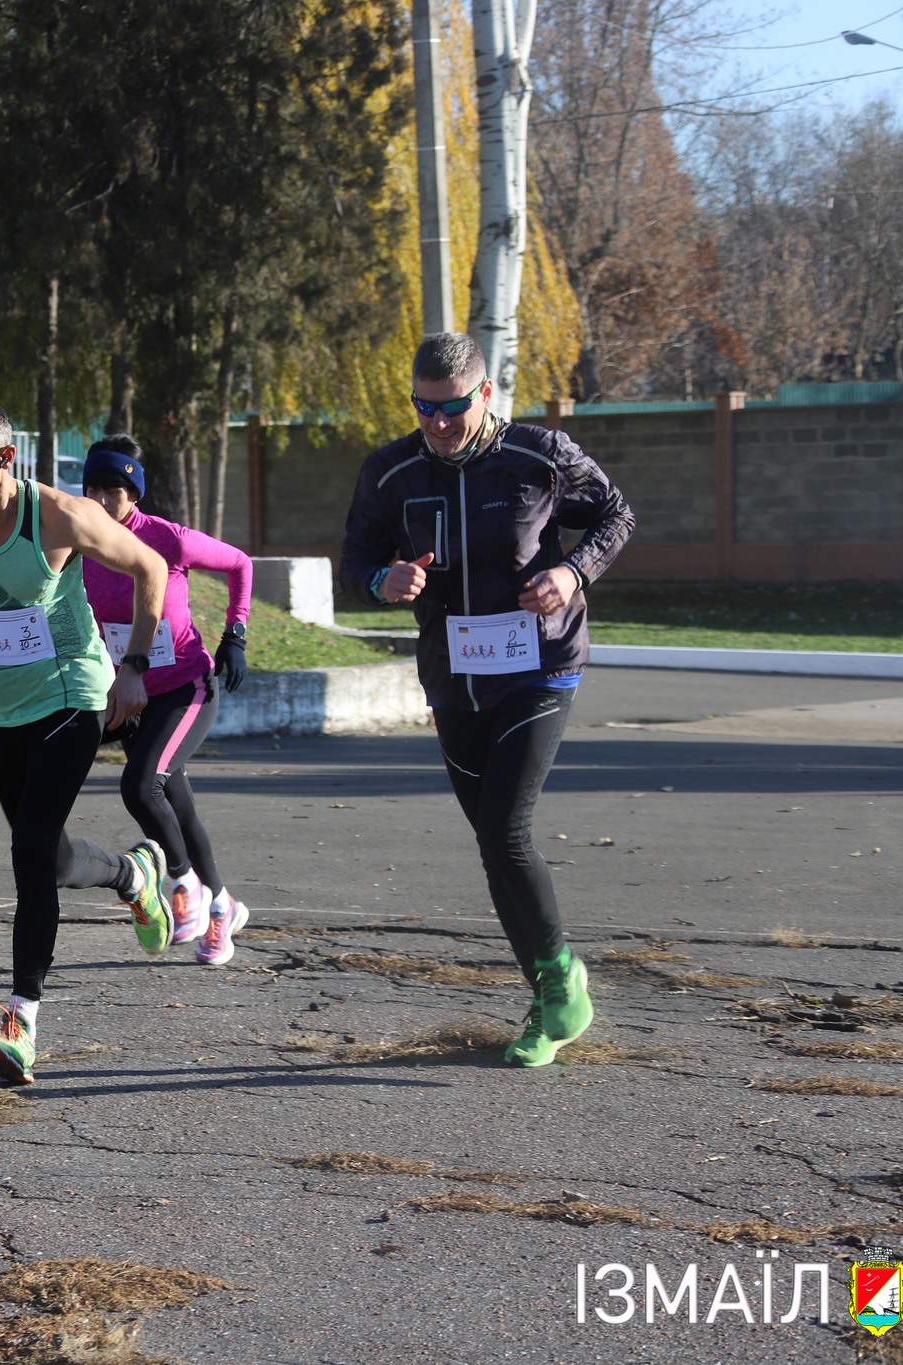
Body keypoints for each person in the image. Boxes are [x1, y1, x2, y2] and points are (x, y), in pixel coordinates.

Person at [340, 332, 635, 1067]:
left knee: (506, 828)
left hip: (541, 664)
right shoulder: (391, 470)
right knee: (492, 843)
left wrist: (572, 574)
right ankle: (553, 982)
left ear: (487, 394)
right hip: (454, 677)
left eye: (453, 407)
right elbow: (357, 559)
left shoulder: (541, 455)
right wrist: (385, 582)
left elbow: (617, 515)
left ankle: (559, 993)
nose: (438, 422)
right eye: (424, 408)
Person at [0, 398, 173, 1086]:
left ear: (5, 458)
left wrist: (136, 666)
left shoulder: (57, 514)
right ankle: (131, 874)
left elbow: (152, 569)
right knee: (47, 853)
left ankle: (21, 1020)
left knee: (28, 850)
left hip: (72, 698)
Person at [78, 434, 255, 967]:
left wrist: (236, 635)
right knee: (175, 805)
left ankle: (185, 887)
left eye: (115, 489)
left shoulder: (166, 539)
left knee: (140, 785)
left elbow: (239, 564)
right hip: (130, 696)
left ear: (134, 494)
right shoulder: (80, 544)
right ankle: (222, 905)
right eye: (94, 488)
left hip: (186, 688)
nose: (103, 500)